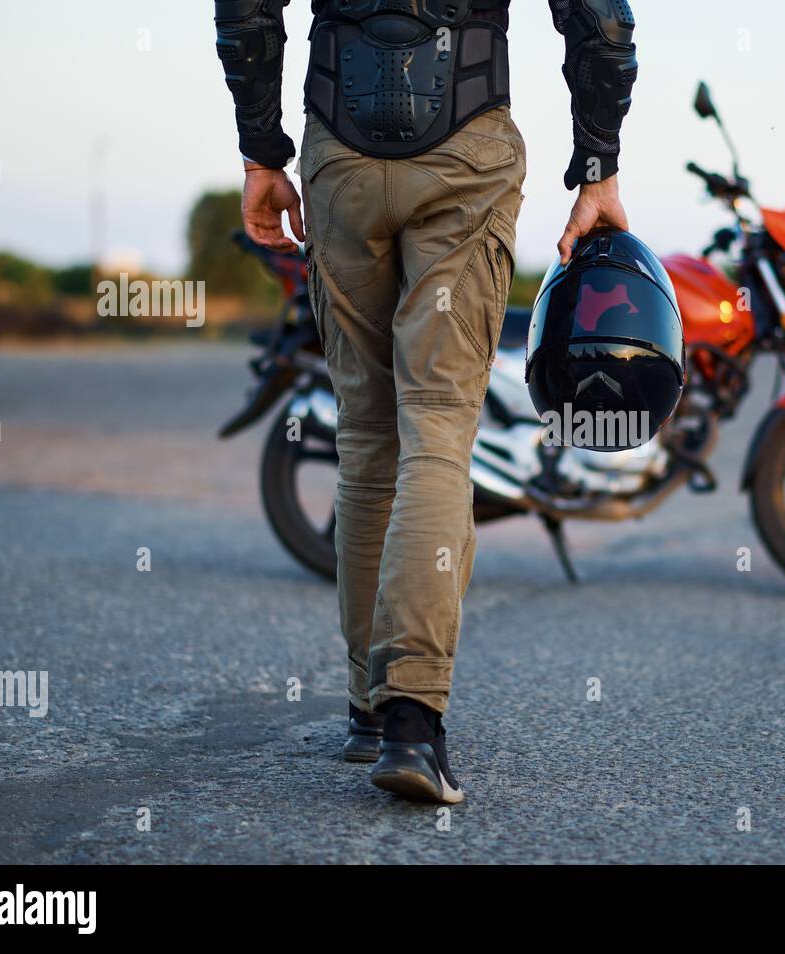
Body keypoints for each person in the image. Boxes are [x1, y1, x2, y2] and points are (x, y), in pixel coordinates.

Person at [213, 0, 638, 802]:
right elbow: (600, 19)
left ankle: (369, 712)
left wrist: (261, 151)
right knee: (438, 431)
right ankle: (412, 722)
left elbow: (245, 8)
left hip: (339, 148)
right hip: (465, 148)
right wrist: (598, 163)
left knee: (368, 436)